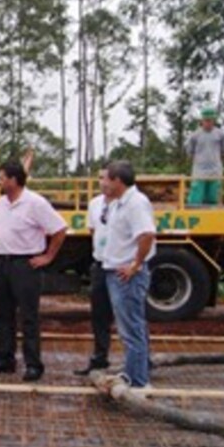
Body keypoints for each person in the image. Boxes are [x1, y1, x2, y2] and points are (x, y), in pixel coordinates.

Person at [0, 160, 67, 382]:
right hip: (3, 263)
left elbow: (59, 229)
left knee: (28, 316)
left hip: (25, 265)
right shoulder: (1, 203)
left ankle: (33, 364)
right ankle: (5, 359)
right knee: (2, 314)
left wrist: (48, 256)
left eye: (2, 178)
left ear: (13, 180)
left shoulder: (35, 203)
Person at [102, 160, 156, 389]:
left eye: (106, 179)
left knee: (131, 329)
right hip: (117, 272)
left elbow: (146, 235)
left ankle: (139, 382)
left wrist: (135, 265)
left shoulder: (136, 203)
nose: (102, 183)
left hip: (127, 276)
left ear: (117, 180)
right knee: (130, 328)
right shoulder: (119, 203)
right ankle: (133, 373)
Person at [74, 165, 115, 376]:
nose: (102, 182)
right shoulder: (94, 204)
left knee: (129, 317)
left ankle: (140, 363)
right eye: (99, 178)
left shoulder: (126, 204)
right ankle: (100, 359)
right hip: (100, 265)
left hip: (120, 267)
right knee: (99, 316)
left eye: (106, 178)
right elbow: (93, 230)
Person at [185, 107, 224, 206]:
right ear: (202, 121)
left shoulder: (220, 134)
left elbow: (223, 151)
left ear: (214, 121)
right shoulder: (195, 135)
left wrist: (218, 162)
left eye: (210, 120)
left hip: (215, 169)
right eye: (206, 120)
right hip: (200, 170)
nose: (208, 123)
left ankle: (212, 212)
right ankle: (193, 211)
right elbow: (190, 152)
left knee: (213, 195)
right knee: (196, 194)